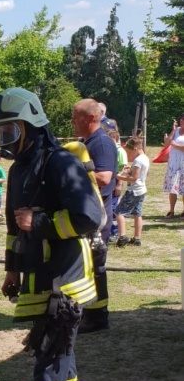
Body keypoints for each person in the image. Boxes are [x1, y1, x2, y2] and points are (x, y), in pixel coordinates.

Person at [0, 87, 102, 381]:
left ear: (31, 127)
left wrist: (39, 223)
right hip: (39, 272)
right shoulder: (20, 170)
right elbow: (12, 229)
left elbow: (89, 217)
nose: (5, 141)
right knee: (61, 344)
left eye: (10, 132)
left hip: (64, 274)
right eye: (1, 133)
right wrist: (12, 271)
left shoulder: (60, 163)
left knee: (51, 346)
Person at [72, 99, 117, 334]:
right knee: (86, 265)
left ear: (90, 118)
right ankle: (88, 311)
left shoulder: (101, 143)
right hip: (87, 213)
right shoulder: (85, 142)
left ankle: (99, 317)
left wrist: (73, 170)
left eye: (76, 117)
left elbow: (105, 177)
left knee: (96, 266)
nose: (72, 122)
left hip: (98, 216)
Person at [115, 137, 150, 247]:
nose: (129, 154)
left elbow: (134, 178)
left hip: (134, 191)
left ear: (135, 149)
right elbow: (144, 174)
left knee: (119, 212)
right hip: (142, 190)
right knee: (137, 213)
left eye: (129, 151)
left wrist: (119, 176)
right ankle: (137, 238)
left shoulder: (138, 161)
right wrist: (130, 170)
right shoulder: (145, 158)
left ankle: (122, 237)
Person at [162, 114, 184, 217]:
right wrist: (173, 130)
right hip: (174, 163)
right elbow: (166, 143)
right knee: (172, 187)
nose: (182, 122)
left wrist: (175, 145)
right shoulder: (176, 131)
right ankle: (171, 210)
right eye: (182, 120)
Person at [108, 128, 127, 237]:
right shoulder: (112, 150)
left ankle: (114, 232)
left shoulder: (120, 151)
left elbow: (123, 169)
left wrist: (119, 184)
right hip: (110, 180)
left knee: (113, 207)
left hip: (116, 181)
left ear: (115, 138)